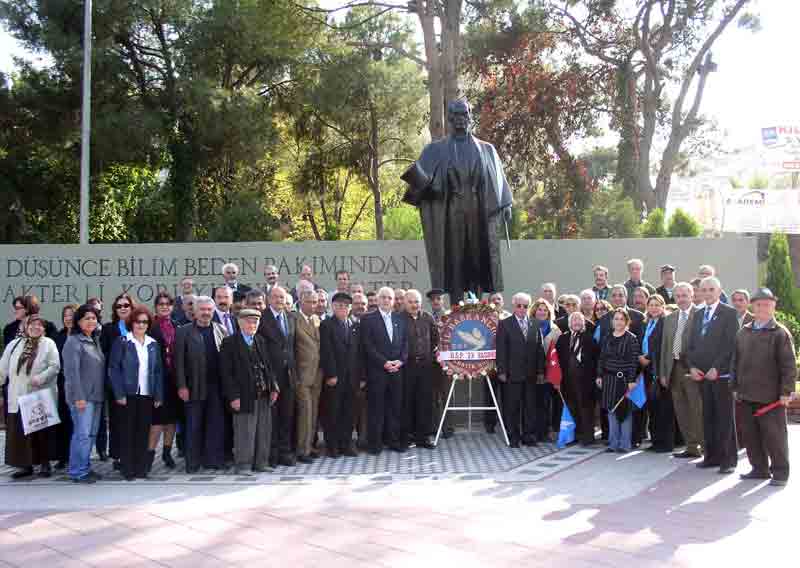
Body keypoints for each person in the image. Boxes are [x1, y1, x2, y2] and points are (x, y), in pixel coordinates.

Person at [732, 288, 796, 486]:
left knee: (775, 438)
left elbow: (788, 365)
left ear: (773, 306)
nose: (762, 308)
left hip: (771, 398)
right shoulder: (743, 332)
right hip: (746, 394)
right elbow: (735, 361)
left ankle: (780, 473)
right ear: (753, 306)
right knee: (751, 437)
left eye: (767, 304)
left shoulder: (780, 333)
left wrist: (786, 391)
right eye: (759, 304)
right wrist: (734, 386)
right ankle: (759, 469)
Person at [686, 276, 739, 474]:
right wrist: (692, 366)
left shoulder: (729, 313)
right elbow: (690, 344)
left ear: (719, 291)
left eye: (711, 289)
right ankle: (711, 456)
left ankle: (728, 460)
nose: (707, 293)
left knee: (724, 418)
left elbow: (730, 344)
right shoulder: (698, 314)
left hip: (720, 375)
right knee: (707, 416)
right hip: (700, 376)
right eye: (704, 290)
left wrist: (717, 367)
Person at [0, 314, 60, 479]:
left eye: (40, 325)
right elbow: (3, 367)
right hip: (17, 395)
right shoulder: (14, 344)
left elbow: (55, 366)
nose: (36, 328)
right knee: (20, 432)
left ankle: (45, 464)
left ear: (44, 329)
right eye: (32, 325)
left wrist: (40, 378)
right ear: (26, 327)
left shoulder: (48, 344)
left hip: (39, 394)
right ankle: (25, 465)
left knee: (41, 431)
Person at [108, 305, 164, 480]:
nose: (141, 325)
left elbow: (158, 371)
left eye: (145, 322)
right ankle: (127, 469)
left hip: (147, 395)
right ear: (132, 323)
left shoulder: (153, 344)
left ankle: (141, 468)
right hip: (127, 395)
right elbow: (113, 369)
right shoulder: (123, 341)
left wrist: (158, 395)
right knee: (127, 432)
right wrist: (119, 393)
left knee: (142, 432)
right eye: (138, 322)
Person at [220, 308, 279, 475]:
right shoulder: (229, 343)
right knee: (245, 431)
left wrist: (274, 387)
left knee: (263, 429)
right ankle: (243, 465)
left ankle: (261, 462)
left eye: (255, 321)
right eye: (249, 321)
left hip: (264, 393)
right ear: (240, 323)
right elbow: (226, 373)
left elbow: (269, 367)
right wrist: (233, 397)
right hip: (243, 395)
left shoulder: (260, 340)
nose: (252, 324)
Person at [174, 296, 229, 473]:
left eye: (208, 310)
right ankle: (193, 462)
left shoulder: (221, 329)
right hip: (193, 385)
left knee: (216, 424)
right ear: (195, 312)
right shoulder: (183, 331)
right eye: (202, 309)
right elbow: (179, 362)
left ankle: (213, 460)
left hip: (217, 386)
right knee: (194, 425)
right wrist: (182, 386)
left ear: (213, 312)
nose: (206, 313)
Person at [361, 287, 408, 455]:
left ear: (394, 300)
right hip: (377, 371)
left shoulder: (400, 318)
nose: (387, 300)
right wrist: (384, 362)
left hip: (397, 371)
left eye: (390, 297)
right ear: (378, 300)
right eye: (383, 297)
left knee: (395, 407)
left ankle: (393, 441)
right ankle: (375, 444)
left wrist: (400, 361)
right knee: (376, 409)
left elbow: (405, 343)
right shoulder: (368, 319)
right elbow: (367, 345)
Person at [659, 282, 703, 459]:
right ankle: (691, 446)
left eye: (685, 295)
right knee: (681, 410)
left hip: (692, 369)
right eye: (678, 296)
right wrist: (663, 372)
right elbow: (665, 347)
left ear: (692, 295)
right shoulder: (669, 318)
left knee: (697, 409)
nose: (681, 299)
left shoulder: (700, 315)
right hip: (674, 369)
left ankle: (705, 446)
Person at [61, 305, 105, 483]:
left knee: (91, 434)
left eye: (94, 318)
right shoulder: (73, 342)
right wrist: (78, 397)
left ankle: (85, 467)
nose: (91, 321)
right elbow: (71, 373)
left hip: (96, 397)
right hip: (82, 398)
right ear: (78, 321)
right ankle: (77, 471)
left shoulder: (94, 340)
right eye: (87, 318)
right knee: (82, 434)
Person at [496, 293, 544, 448]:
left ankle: (528, 436)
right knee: (512, 407)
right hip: (512, 373)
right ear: (513, 306)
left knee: (530, 406)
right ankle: (513, 437)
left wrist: (540, 372)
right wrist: (502, 371)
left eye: (525, 306)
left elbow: (539, 350)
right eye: (519, 306)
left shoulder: (535, 324)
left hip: (530, 374)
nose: (522, 309)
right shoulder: (505, 324)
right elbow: (501, 349)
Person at [258, 286, 297, 467]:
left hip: (288, 375)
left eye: (282, 297)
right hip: (270, 375)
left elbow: (291, 346)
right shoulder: (262, 318)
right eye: (275, 297)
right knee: (271, 417)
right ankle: (271, 454)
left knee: (286, 415)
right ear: (268, 299)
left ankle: (285, 451)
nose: (279, 300)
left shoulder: (290, 317)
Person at [319, 292, 359, 458]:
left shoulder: (354, 324)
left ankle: (346, 443)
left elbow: (358, 352)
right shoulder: (326, 325)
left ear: (350, 308)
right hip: (335, 376)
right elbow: (326, 351)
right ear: (333, 306)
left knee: (349, 412)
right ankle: (332, 445)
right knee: (333, 411)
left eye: (346, 306)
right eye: (339, 305)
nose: (343, 308)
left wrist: (361, 377)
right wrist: (331, 374)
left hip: (352, 377)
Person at [98, 293, 135, 468]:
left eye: (126, 305)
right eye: (119, 306)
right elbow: (103, 354)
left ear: (132, 307)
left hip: (137, 383)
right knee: (117, 420)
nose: (123, 308)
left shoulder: (140, 326)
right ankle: (118, 456)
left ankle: (134, 454)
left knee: (135, 420)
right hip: (117, 382)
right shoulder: (108, 329)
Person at [597, 309, 641, 453]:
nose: (618, 322)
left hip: (624, 381)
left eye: (622, 319)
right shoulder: (607, 337)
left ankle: (625, 444)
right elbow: (602, 359)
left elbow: (633, 361)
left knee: (625, 412)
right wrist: (599, 375)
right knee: (611, 411)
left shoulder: (631, 338)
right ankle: (613, 443)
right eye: (616, 319)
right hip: (608, 379)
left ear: (627, 322)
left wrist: (631, 380)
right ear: (612, 321)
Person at [401, 290, 438, 449]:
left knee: (425, 402)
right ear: (404, 302)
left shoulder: (428, 317)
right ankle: (408, 437)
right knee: (407, 402)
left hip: (425, 366)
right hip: (407, 366)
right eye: (411, 302)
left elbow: (435, 338)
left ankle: (423, 437)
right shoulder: (399, 318)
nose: (414, 305)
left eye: (417, 302)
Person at [556, 312, 599, 446]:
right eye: (574, 320)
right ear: (569, 323)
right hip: (567, 380)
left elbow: (596, 360)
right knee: (571, 407)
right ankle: (573, 436)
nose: (576, 322)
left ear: (583, 323)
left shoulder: (589, 339)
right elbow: (557, 359)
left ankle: (587, 437)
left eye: (579, 320)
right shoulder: (563, 338)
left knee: (585, 409)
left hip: (585, 381)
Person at [148, 293, 181, 469]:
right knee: (157, 421)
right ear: (156, 307)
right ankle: (149, 456)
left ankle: (167, 453)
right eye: (161, 304)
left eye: (168, 304)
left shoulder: (177, 326)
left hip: (174, 379)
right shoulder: (150, 326)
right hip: (157, 379)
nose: (164, 307)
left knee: (171, 420)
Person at [294, 290, 322, 464]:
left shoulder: (317, 320)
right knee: (305, 412)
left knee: (314, 413)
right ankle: (301, 450)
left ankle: (309, 446)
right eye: (310, 302)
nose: (313, 305)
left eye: (316, 302)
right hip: (302, 375)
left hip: (317, 374)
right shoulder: (294, 320)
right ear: (301, 302)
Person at [641, 295, 669, 452]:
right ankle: (655, 440)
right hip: (647, 370)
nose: (653, 308)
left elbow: (662, 347)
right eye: (651, 305)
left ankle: (664, 442)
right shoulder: (648, 323)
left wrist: (649, 358)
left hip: (658, 369)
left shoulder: (664, 323)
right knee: (652, 407)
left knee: (662, 407)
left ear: (662, 306)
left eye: (657, 305)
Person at [53, 303, 79, 470]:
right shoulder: (58, 337)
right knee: (61, 421)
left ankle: (74, 456)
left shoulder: (83, 336)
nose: (68, 318)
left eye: (71, 315)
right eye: (65, 315)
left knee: (75, 422)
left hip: (76, 385)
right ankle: (62, 456)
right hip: (60, 384)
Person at [531, 298, 561, 443]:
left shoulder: (555, 330)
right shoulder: (528, 326)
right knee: (532, 403)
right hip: (531, 371)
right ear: (534, 311)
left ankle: (545, 432)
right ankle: (533, 431)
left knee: (546, 403)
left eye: (545, 310)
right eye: (539, 309)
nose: (542, 312)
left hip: (549, 371)